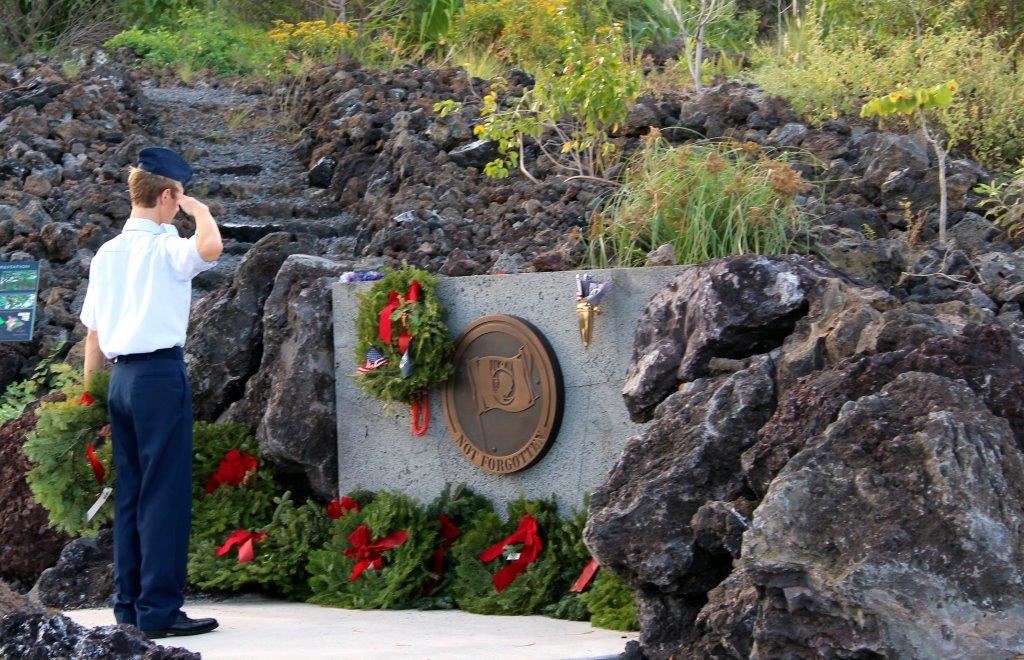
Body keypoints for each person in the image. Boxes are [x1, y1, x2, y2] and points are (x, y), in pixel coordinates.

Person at [81, 147, 223, 639]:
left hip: (120, 381)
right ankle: (160, 611)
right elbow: (210, 250)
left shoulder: (105, 253)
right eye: (179, 197)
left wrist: (88, 395)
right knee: (164, 494)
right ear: (168, 196)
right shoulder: (166, 247)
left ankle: (128, 608)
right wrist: (201, 213)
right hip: (159, 378)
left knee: (130, 494)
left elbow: (94, 334)